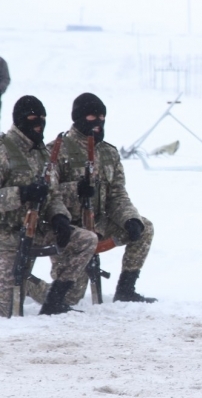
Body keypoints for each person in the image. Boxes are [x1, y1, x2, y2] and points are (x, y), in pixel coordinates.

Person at [26, 93, 156, 305]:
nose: (98, 122)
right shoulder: (56, 151)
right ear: (78, 118)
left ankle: (126, 289)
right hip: (69, 229)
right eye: (91, 117)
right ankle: (23, 282)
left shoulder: (109, 153)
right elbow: (50, 194)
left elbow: (117, 194)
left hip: (100, 223)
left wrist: (129, 219)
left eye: (102, 117)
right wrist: (76, 190)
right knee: (69, 297)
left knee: (144, 226)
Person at [0, 96, 98, 317]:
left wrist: (59, 217)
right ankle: (24, 281)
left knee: (86, 239)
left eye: (43, 118)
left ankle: (54, 301)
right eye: (34, 118)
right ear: (20, 119)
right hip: (6, 236)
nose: (39, 123)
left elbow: (52, 194)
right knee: (5, 312)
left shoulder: (43, 153)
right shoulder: (3, 150)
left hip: (37, 230)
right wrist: (22, 193)